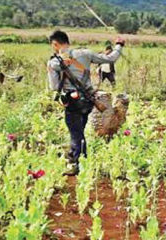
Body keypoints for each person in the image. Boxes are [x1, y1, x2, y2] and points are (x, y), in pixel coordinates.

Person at [47, 30, 125, 176]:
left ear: (55, 44)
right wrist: (119, 45)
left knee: (76, 133)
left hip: (73, 101)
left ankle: (78, 163)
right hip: (89, 100)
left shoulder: (54, 62)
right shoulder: (86, 53)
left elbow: (53, 86)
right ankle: (74, 156)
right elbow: (111, 58)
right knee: (79, 130)